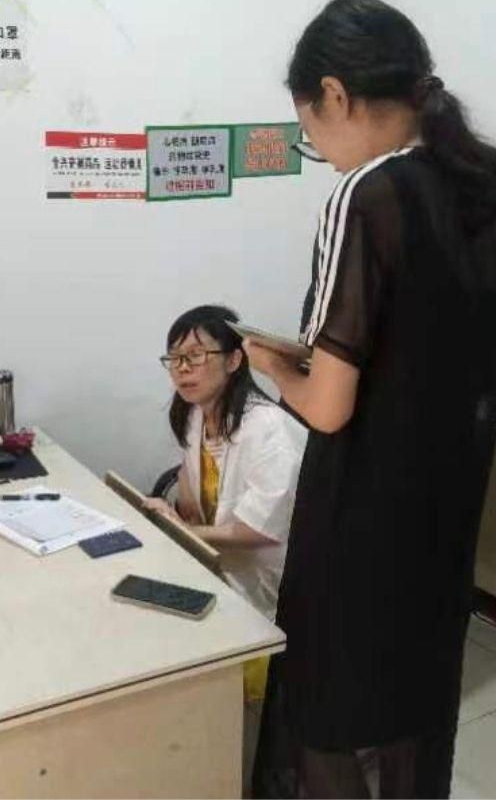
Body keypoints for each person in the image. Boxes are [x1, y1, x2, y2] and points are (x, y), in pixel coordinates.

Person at [243, 0, 496, 798]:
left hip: (359, 521)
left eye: (310, 132)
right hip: (446, 521)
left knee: (333, 712)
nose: (321, 152)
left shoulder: (369, 195)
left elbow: (329, 407)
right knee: (417, 710)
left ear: (335, 95)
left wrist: (274, 366)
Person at [143, 304, 307, 796]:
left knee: (243, 691)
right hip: (224, 567)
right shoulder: (196, 416)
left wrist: (181, 529)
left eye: (196, 356)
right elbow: (192, 493)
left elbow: (256, 529)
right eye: (174, 358)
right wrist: (178, 518)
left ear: (235, 360)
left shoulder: (268, 429)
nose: (183, 369)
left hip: (274, 583)